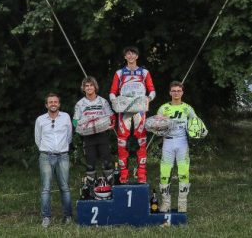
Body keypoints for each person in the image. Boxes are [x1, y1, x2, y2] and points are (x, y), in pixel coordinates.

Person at [110, 46, 156, 184]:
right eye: (128, 54)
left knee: (141, 140)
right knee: (121, 141)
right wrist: (115, 100)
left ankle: (141, 174)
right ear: (125, 57)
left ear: (137, 56)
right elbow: (112, 92)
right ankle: (123, 175)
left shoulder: (144, 72)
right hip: (124, 110)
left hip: (139, 110)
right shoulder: (119, 73)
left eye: (133, 54)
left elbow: (152, 90)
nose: (130, 56)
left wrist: (148, 98)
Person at [156, 81, 197, 213]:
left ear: (182, 92)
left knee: (184, 173)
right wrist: (158, 127)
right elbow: (156, 126)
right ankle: (165, 203)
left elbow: (195, 123)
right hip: (167, 142)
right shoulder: (163, 108)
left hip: (182, 142)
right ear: (170, 93)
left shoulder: (187, 108)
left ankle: (182, 204)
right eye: (173, 91)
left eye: (178, 91)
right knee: (164, 173)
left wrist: (196, 131)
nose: (176, 93)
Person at [34, 92, 73, 227]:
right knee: (46, 188)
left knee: (65, 187)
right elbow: (38, 139)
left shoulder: (66, 117)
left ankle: (67, 216)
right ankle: (46, 217)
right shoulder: (40, 120)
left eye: (55, 102)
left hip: (63, 156)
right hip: (46, 156)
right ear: (46, 105)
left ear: (59, 104)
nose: (53, 104)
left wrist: (62, 148)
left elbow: (69, 137)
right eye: (50, 102)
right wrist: (46, 149)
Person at [73, 76, 115, 189]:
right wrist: (80, 127)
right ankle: (92, 189)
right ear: (83, 88)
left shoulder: (103, 101)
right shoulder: (80, 104)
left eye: (91, 85)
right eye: (86, 86)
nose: (89, 87)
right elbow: (75, 121)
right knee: (90, 164)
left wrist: (112, 123)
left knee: (107, 162)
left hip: (102, 135)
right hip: (88, 137)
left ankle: (110, 187)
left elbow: (111, 116)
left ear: (95, 87)